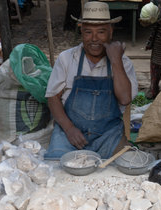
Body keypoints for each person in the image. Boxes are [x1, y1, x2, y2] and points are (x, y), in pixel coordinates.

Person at [44, 1, 138, 160]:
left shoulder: (123, 63)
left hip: (109, 136)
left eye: (101, 32)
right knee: (56, 167)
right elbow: (52, 98)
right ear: (81, 32)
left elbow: (125, 99)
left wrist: (115, 60)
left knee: (127, 163)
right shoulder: (67, 58)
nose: (94, 39)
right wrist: (69, 129)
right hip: (70, 135)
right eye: (88, 32)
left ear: (111, 32)